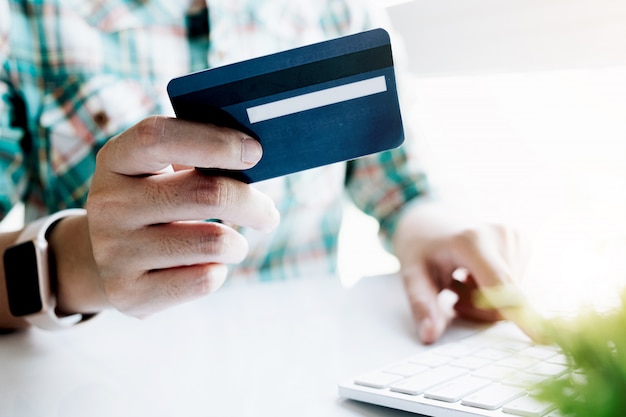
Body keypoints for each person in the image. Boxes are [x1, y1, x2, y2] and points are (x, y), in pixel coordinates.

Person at [0, 0, 537, 343]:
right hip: (100, 386)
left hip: (310, 373)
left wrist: (433, 230)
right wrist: (70, 267)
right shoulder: (21, 18)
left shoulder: (339, 7)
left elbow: (399, 182)